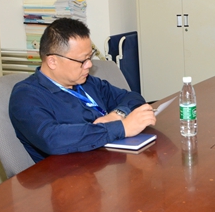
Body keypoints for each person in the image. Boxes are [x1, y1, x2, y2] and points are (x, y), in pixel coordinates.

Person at [10, 18, 156, 163]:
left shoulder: (86, 82)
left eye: (90, 57)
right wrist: (120, 128)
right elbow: (54, 139)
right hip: (68, 172)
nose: (89, 65)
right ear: (52, 61)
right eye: (82, 60)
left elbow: (133, 98)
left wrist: (117, 114)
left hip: (106, 161)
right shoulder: (26, 96)